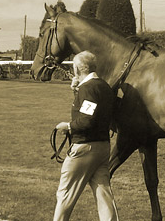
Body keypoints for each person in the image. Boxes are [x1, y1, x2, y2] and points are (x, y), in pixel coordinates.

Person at [52, 51, 118, 221]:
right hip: (103, 147)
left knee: (65, 194)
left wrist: (67, 126)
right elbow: (91, 111)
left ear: (77, 68)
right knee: (104, 195)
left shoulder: (88, 89)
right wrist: (77, 90)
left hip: (84, 148)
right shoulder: (103, 86)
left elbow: (87, 120)